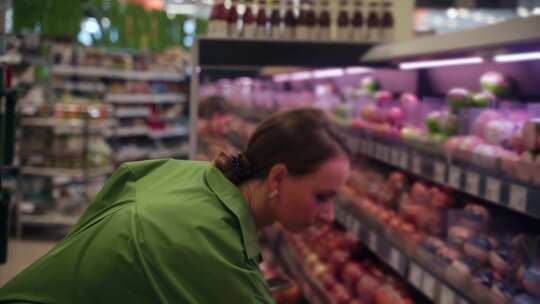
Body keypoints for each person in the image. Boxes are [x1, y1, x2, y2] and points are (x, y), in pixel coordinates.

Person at [0, 108, 351, 303]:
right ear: (276, 179)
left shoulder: (189, 174)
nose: (328, 216)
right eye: (322, 197)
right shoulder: (216, 251)